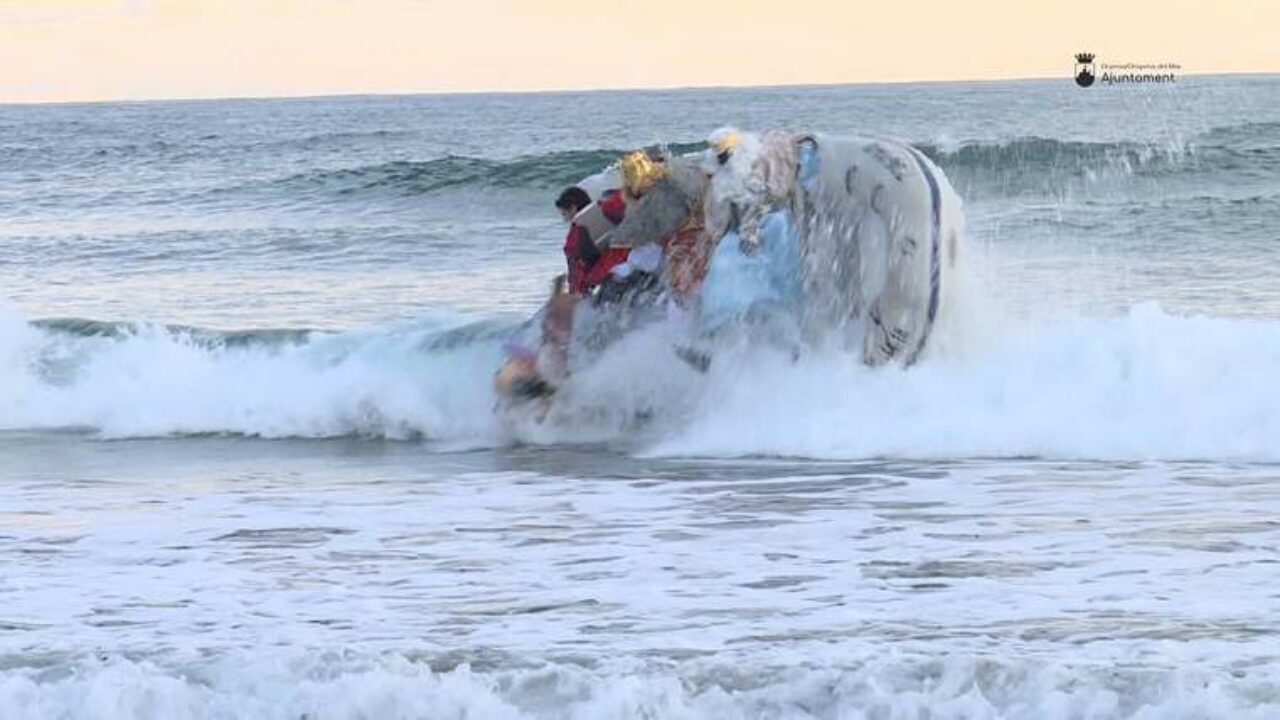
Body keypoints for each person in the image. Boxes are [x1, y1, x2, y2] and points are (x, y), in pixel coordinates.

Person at [554, 186, 628, 295]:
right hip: (633, 253)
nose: (566, 220)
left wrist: (575, 294)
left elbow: (576, 276)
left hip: (611, 271)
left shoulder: (575, 235)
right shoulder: (609, 204)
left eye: (564, 214)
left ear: (573, 208)